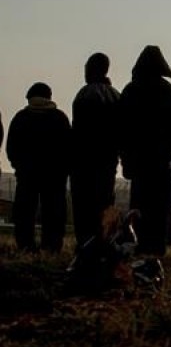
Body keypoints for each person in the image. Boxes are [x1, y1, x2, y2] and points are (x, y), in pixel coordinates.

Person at [119, 45, 171, 257]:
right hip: (161, 159)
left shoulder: (131, 90)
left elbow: (123, 127)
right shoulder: (170, 93)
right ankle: (157, 247)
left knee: (138, 203)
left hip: (138, 159)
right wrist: (167, 150)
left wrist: (126, 156)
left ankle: (138, 243)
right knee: (159, 207)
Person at [5, 82, 72, 253]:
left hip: (27, 174)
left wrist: (18, 165)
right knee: (54, 213)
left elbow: (11, 147)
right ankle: (51, 246)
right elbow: (69, 147)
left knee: (24, 213)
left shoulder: (21, 117)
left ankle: (25, 246)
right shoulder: (59, 118)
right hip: (54, 176)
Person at [71, 52, 122, 249]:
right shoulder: (116, 95)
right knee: (105, 200)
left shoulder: (85, 94)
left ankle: (85, 241)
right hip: (108, 158)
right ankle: (104, 239)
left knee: (84, 203)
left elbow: (79, 131)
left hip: (84, 158)